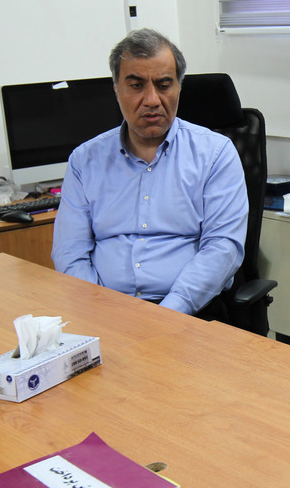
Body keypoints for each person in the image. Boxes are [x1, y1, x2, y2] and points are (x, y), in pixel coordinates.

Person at [52, 28, 248, 316]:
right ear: (116, 89)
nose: (152, 99)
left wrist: (166, 314)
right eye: (136, 85)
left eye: (164, 85)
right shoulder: (85, 160)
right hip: (104, 313)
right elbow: (70, 252)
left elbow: (223, 248)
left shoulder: (216, 154)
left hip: (189, 313)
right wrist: (98, 310)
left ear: (179, 87)